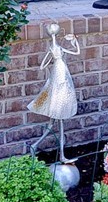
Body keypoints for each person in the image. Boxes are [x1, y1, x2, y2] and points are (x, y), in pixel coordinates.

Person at [29, 24, 80, 162]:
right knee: (59, 119)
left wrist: (75, 41)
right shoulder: (54, 48)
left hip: (61, 74)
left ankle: (37, 147)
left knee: (55, 121)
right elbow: (43, 65)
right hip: (59, 76)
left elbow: (76, 52)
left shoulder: (54, 48)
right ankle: (61, 155)